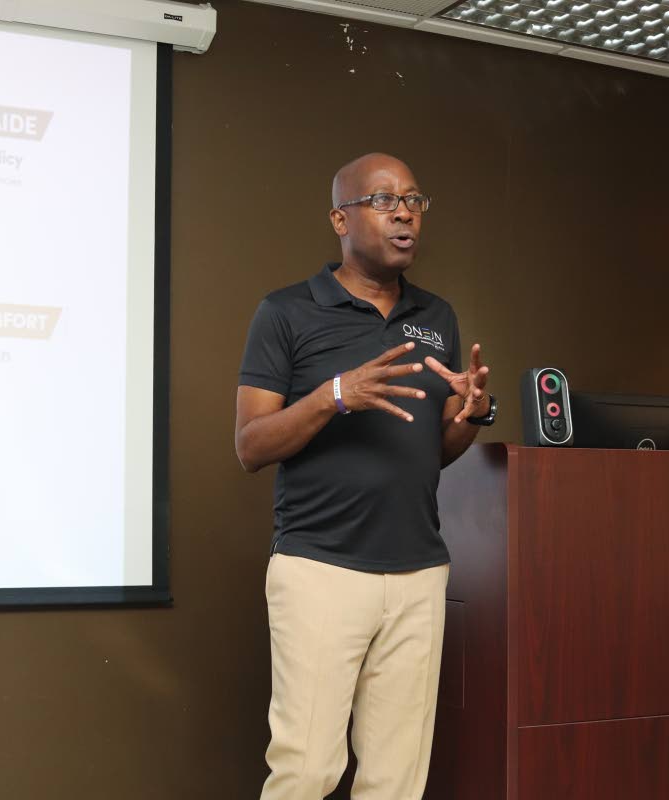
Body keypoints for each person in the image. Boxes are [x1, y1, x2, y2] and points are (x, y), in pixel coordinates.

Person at [235, 153, 496, 799]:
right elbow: (250, 446)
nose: (404, 212)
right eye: (383, 200)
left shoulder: (436, 318)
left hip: (418, 571)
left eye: (413, 199)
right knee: (308, 771)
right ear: (340, 218)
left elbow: (430, 453)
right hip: (321, 569)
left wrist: (472, 414)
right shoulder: (286, 312)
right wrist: (334, 395)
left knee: (396, 779)